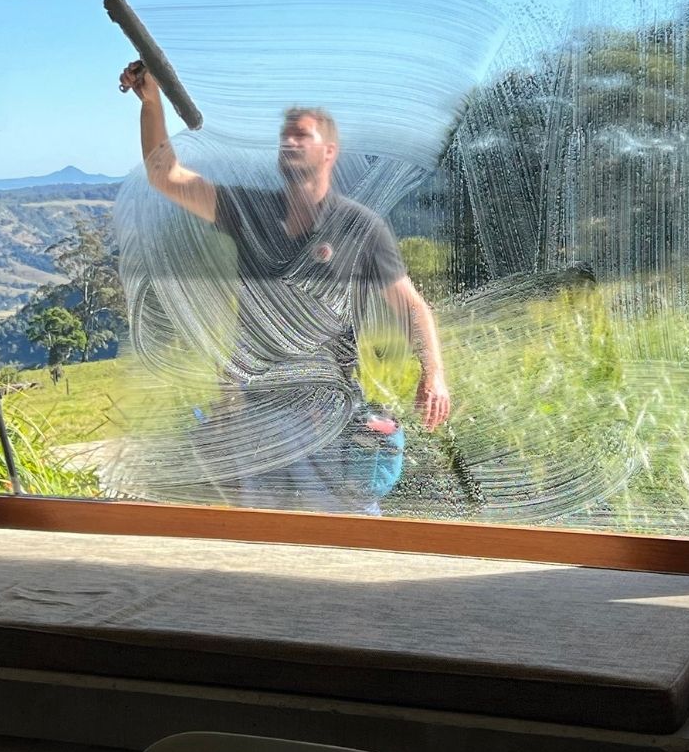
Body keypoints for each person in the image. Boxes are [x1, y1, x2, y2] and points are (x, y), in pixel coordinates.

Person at [121, 60, 450, 511]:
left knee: (345, 535)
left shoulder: (360, 228)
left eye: (302, 135)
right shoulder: (248, 211)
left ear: (329, 151)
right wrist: (151, 102)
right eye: (285, 136)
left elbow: (411, 305)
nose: (289, 141)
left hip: (326, 413)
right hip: (254, 413)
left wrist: (434, 374)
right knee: (266, 543)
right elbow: (166, 176)